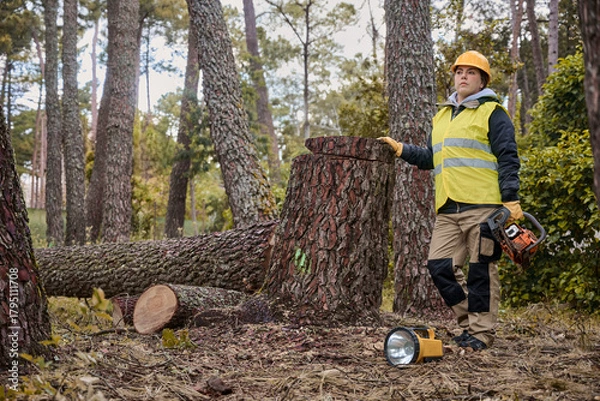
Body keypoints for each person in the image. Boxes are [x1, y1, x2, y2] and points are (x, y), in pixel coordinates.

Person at [378, 50, 522, 350]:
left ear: (482, 80)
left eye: (471, 72)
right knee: (439, 266)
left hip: (484, 207)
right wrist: (402, 149)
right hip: (448, 207)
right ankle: (470, 324)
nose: (463, 77)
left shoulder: (493, 113)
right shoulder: (442, 116)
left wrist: (510, 200)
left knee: (481, 269)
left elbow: (508, 156)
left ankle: (481, 334)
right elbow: (433, 158)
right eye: (459, 72)